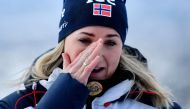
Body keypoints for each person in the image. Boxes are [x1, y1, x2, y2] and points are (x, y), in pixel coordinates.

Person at [0, 0, 181, 109]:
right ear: (63, 44)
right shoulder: (23, 102)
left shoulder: (154, 104)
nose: (97, 54)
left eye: (110, 42)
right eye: (85, 40)